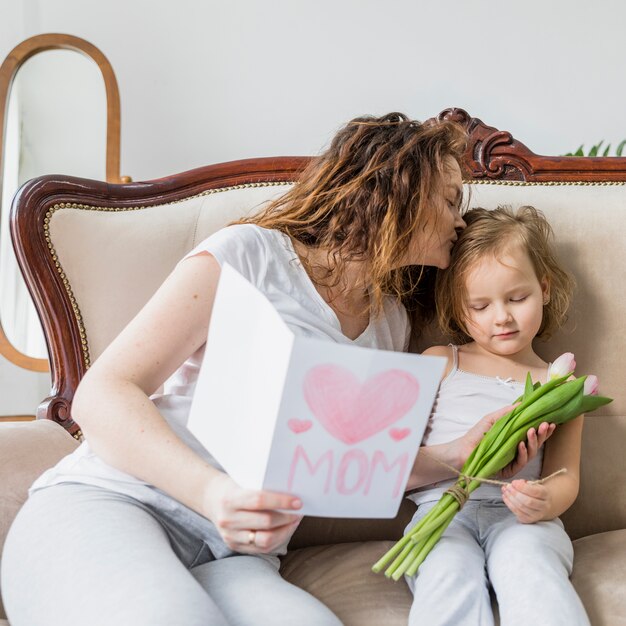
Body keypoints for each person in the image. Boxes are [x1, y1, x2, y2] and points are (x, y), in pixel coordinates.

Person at [1, 114, 550, 626]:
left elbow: (362, 460)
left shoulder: (390, 322)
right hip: (115, 504)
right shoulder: (248, 255)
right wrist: (215, 494)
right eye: (451, 200)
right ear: (399, 193)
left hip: (237, 557)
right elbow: (101, 394)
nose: (459, 219)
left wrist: (463, 455)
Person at [404, 205, 590, 625]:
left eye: (517, 298)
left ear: (543, 288)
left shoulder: (559, 384)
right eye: (480, 305)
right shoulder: (440, 362)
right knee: (447, 575)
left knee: (531, 572)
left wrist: (545, 502)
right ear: (458, 307)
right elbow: (393, 458)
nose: (501, 317)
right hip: (440, 511)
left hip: (521, 519)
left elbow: (566, 476)